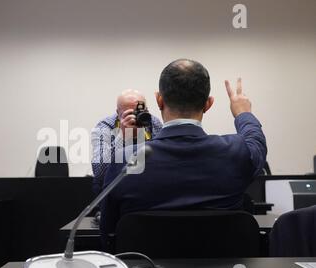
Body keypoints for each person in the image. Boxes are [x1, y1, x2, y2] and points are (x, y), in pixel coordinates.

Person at [100, 59, 267, 248]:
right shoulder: (237, 152)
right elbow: (257, 143)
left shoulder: (125, 160)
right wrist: (243, 113)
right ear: (208, 104)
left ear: (159, 100)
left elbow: (108, 232)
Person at [91, 89, 163, 194]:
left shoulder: (152, 122)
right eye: (130, 113)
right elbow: (99, 173)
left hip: (145, 185)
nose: (136, 117)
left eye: (141, 111)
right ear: (118, 113)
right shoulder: (104, 127)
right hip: (114, 188)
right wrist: (122, 136)